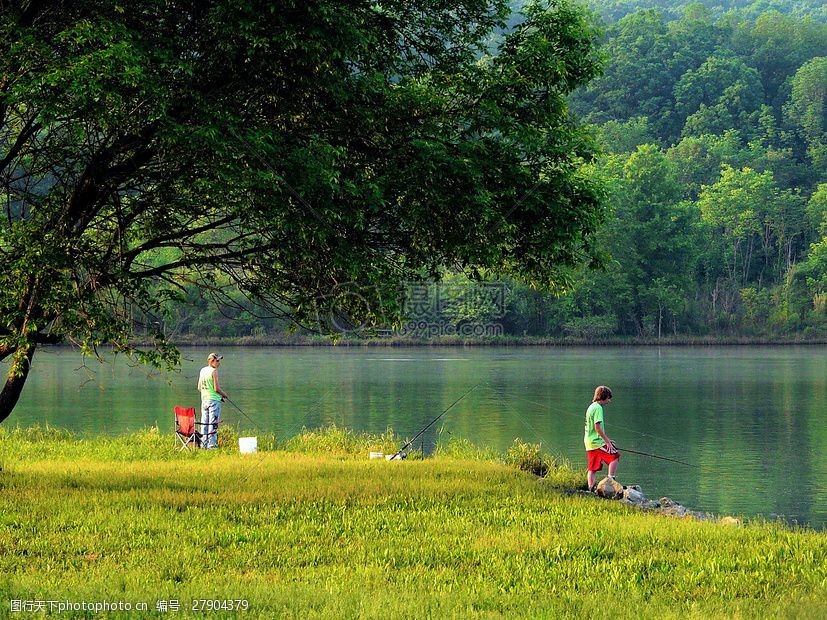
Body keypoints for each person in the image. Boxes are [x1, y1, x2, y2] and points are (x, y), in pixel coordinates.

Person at [584, 385, 620, 492]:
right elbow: (597, 427)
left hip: (589, 442)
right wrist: (607, 442)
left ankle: (590, 489)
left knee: (592, 468)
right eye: (608, 398)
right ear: (603, 397)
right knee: (615, 456)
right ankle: (610, 481)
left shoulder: (591, 406)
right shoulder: (598, 408)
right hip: (596, 442)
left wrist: (607, 440)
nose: (609, 401)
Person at [197, 352, 228, 449]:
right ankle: (212, 446)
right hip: (214, 401)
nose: (219, 363)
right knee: (213, 423)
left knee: (204, 422)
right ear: (211, 361)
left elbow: (199, 387)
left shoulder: (202, 370)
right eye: (217, 361)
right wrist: (224, 395)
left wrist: (208, 394)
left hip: (204, 400)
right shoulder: (213, 371)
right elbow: (216, 389)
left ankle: (203, 444)